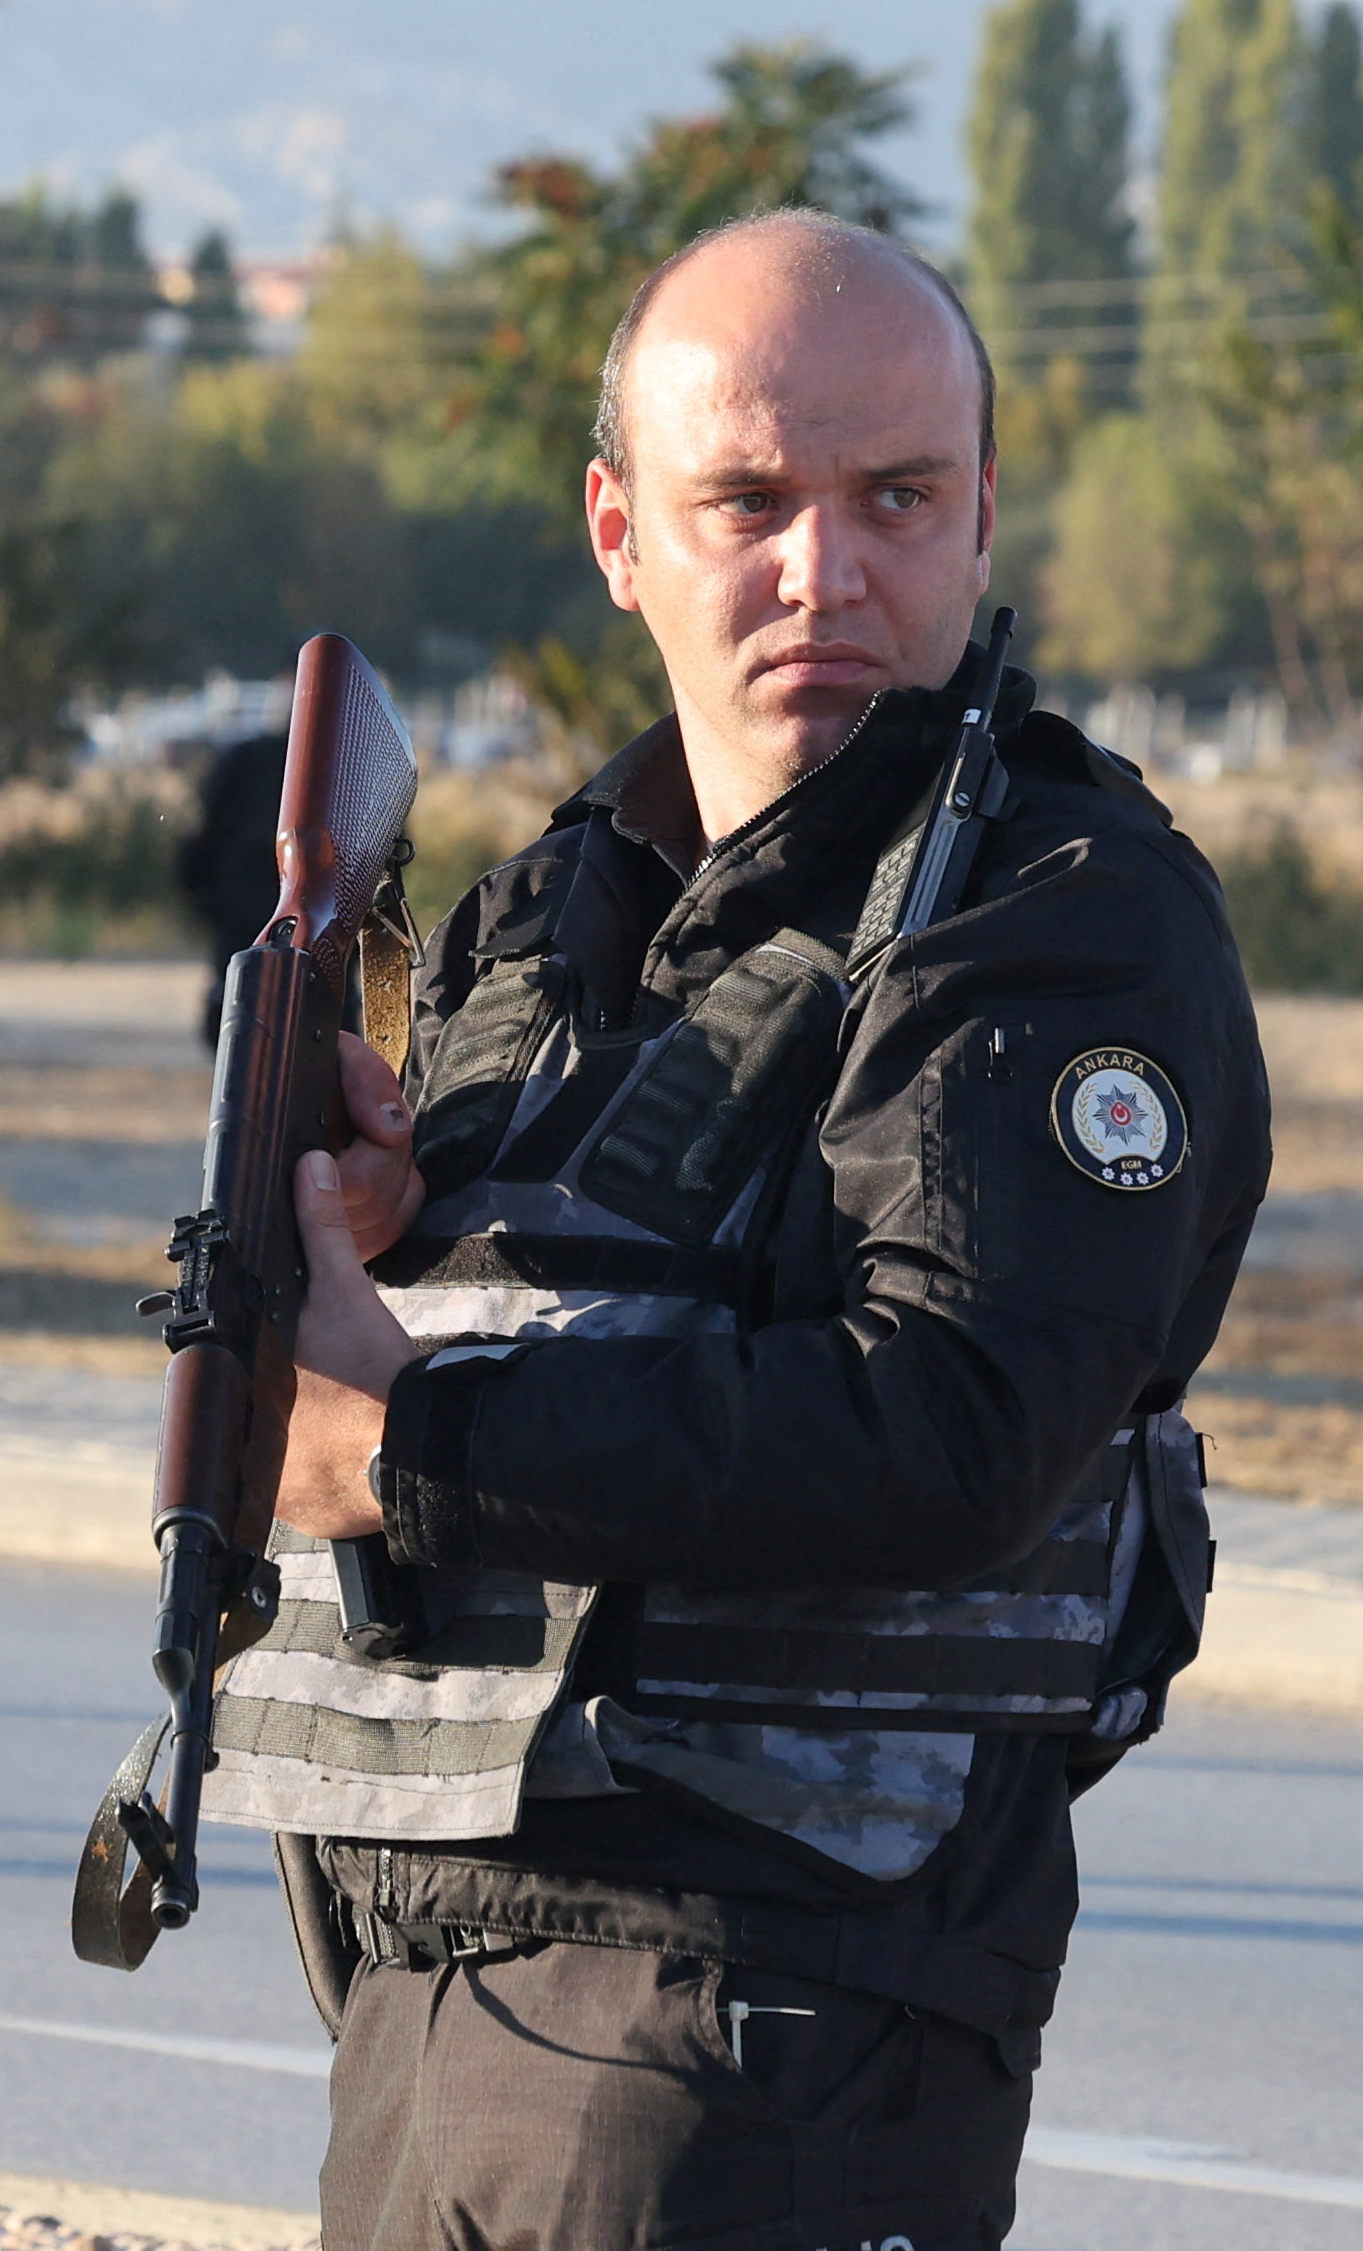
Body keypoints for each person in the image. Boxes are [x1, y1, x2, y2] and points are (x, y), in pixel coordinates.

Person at [216, 207, 1268, 2245]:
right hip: (428, 1959)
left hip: (778, 2012)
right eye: (747, 502)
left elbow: (949, 1427)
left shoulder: (1056, 913)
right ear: (621, 536)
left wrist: (409, 1444)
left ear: (981, 524)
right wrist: (370, 1223)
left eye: (897, 498)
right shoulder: (549, 904)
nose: (827, 570)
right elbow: (540, 1302)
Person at [173, 725, 286, 1046]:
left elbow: (196, 848)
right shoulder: (350, 764)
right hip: (243, 920)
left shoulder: (245, 759)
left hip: (240, 923)